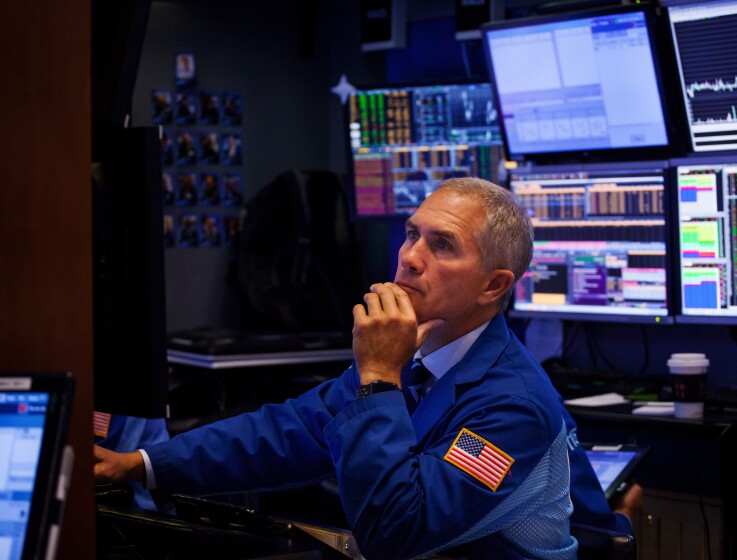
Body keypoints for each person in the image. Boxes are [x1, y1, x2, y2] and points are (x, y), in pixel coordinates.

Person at [94, 178, 637, 559]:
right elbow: (285, 432)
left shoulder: (510, 403)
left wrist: (378, 375)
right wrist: (139, 463)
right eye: (411, 234)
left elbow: (396, 534)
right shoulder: (417, 357)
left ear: (493, 285)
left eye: (442, 245)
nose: (410, 257)